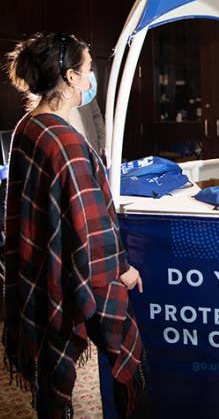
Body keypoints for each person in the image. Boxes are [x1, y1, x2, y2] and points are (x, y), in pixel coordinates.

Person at [3, 32, 146, 418]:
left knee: (51, 368)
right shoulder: (66, 142)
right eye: (86, 72)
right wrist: (124, 272)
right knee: (128, 357)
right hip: (78, 273)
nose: (89, 80)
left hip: (45, 269)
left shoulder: (27, 128)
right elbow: (91, 228)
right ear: (68, 77)